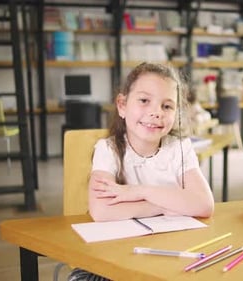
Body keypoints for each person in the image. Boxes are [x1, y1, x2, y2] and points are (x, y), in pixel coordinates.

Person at [68, 62, 215, 281]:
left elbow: (204, 205)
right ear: (122, 105)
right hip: (114, 255)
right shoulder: (108, 149)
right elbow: (101, 210)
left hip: (168, 255)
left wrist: (138, 192)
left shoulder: (179, 148)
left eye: (167, 106)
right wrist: (165, 204)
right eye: (144, 101)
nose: (156, 112)